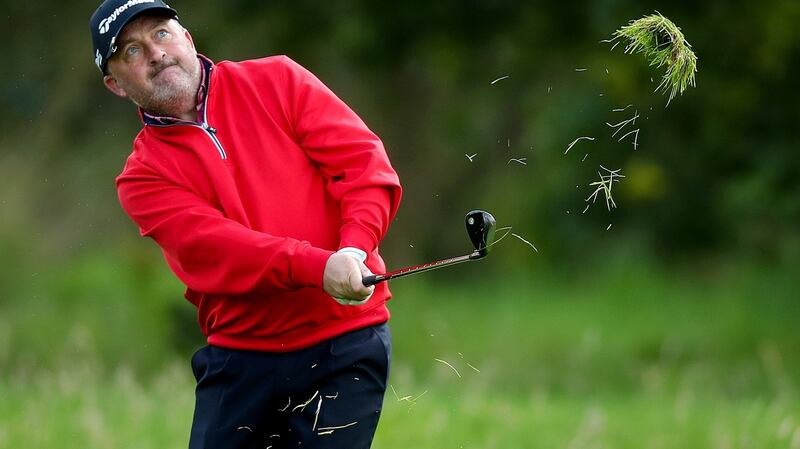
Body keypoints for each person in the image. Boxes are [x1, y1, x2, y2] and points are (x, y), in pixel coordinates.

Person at [89, 1, 402, 448]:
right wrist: (319, 267)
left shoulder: (277, 79)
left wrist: (354, 248)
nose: (155, 53)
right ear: (115, 84)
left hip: (344, 342)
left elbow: (363, 169)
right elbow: (224, 249)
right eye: (131, 52)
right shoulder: (142, 177)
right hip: (243, 359)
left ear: (187, 40)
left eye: (161, 34)